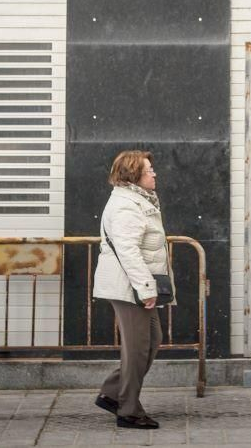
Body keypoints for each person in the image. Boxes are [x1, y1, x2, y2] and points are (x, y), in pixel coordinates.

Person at [91, 149, 168, 430]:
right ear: (134, 175)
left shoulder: (138, 200)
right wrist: (146, 287)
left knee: (151, 341)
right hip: (129, 286)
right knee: (137, 349)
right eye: (149, 170)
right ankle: (129, 410)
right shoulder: (126, 205)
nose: (154, 174)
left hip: (134, 285)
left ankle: (113, 393)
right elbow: (128, 250)